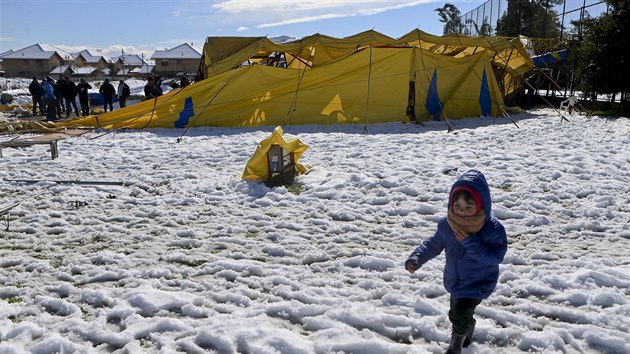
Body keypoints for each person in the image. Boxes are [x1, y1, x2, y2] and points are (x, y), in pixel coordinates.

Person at [405, 169, 507, 354]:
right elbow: (433, 244)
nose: (462, 211)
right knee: (457, 313)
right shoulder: (447, 224)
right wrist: (417, 258)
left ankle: (455, 345)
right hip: (456, 280)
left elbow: (495, 257)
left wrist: (470, 242)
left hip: (479, 281)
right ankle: (468, 327)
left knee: (460, 312)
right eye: (457, 205)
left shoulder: (491, 229)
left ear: (481, 206)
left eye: (469, 207)